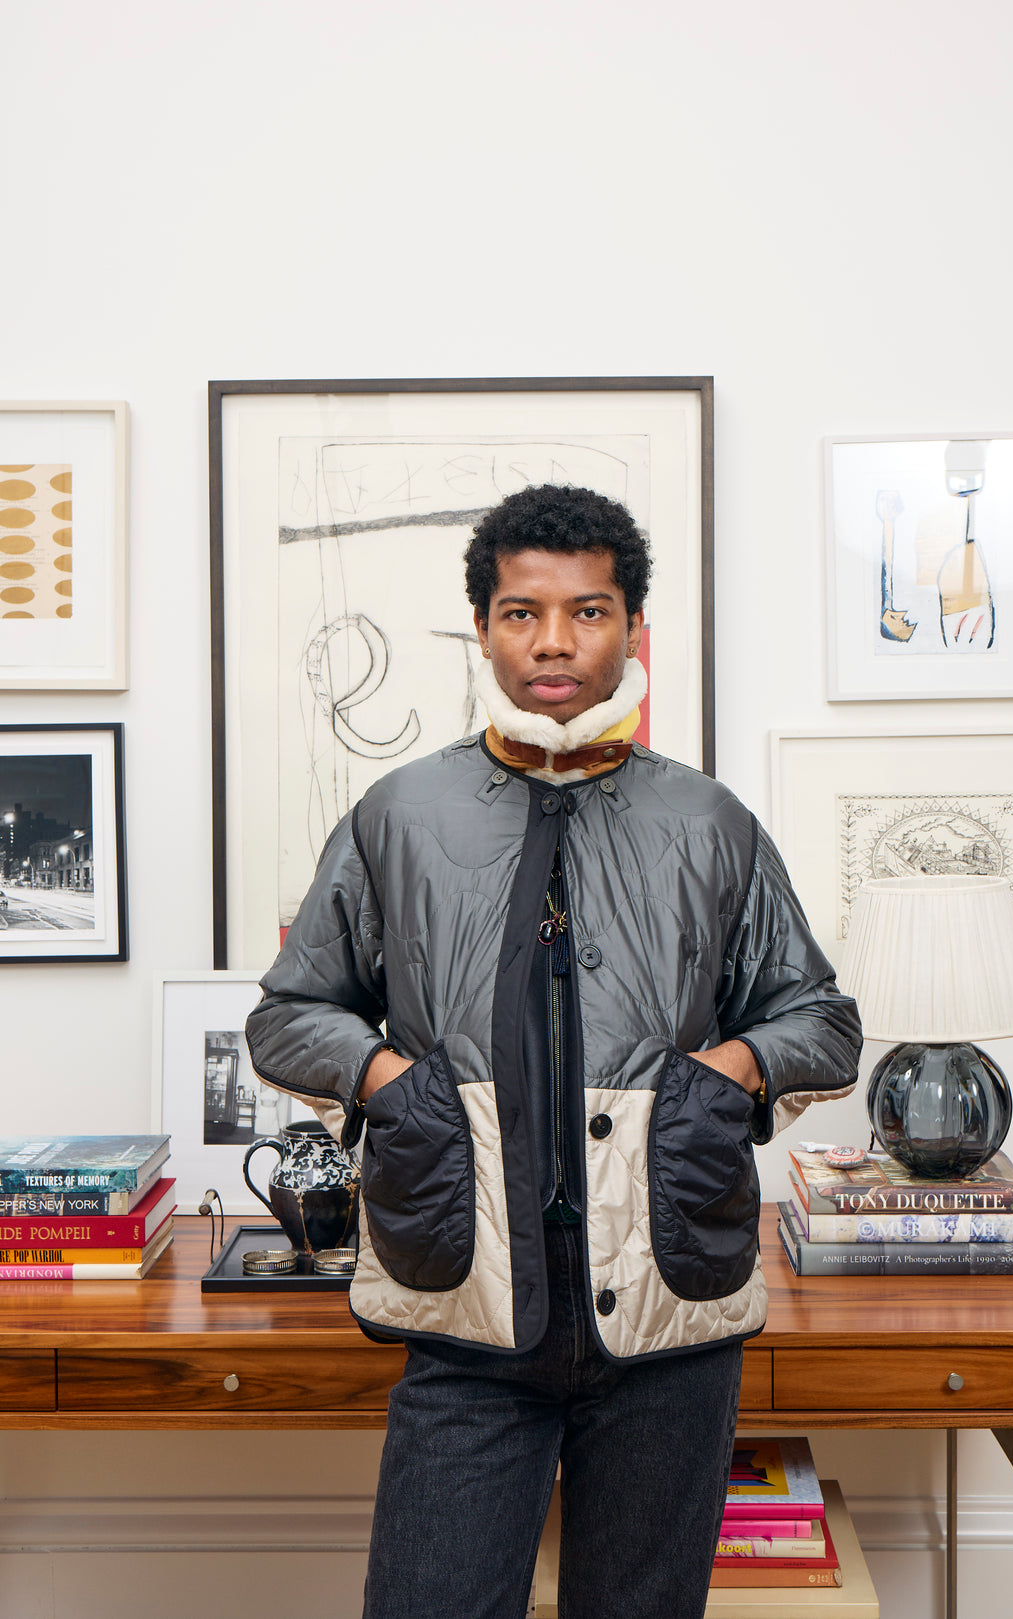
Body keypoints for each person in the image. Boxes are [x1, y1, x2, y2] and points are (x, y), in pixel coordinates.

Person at [246, 483, 861, 1619]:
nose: (555, 642)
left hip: (670, 1304)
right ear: (482, 627)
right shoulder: (400, 814)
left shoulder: (708, 820)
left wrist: (720, 1077)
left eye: (588, 611)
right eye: (523, 613)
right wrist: (394, 1083)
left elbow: (819, 1019)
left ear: (634, 628)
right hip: (465, 1306)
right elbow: (290, 1014)